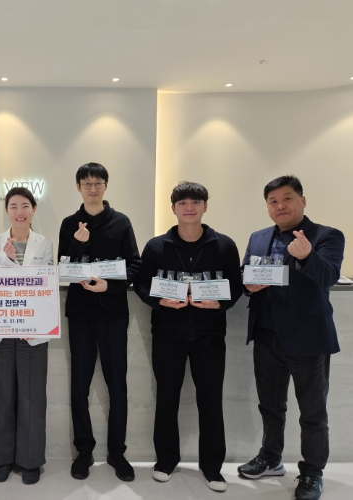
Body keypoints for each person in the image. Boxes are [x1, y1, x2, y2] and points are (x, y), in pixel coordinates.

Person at [237, 176, 345, 500]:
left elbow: (330, 276)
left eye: (287, 198)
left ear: (302, 201)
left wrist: (309, 255)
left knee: (312, 413)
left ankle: (312, 473)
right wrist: (247, 285)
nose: (280, 206)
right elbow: (246, 274)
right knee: (270, 406)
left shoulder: (327, 236)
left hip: (307, 339)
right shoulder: (258, 237)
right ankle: (271, 458)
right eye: (273, 201)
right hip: (266, 336)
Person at [134, 181, 242, 492]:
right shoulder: (157, 247)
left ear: (205, 206)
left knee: (211, 401)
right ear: (173, 208)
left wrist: (219, 303)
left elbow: (235, 286)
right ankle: (166, 460)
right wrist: (160, 301)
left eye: (196, 201)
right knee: (166, 399)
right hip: (168, 334)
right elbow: (141, 284)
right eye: (183, 203)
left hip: (210, 335)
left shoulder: (224, 245)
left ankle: (212, 468)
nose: (189, 207)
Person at [58, 162, 141, 482]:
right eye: (87, 183)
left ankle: (117, 451)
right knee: (79, 383)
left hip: (113, 313)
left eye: (98, 183)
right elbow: (63, 267)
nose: (92, 188)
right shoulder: (69, 223)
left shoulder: (121, 222)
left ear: (106, 186)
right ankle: (84, 450)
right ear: (78, 187)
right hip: (80, 314)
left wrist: (111, 285)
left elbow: (135, 265)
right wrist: (78, 243)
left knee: (116, 382)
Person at [0, 187, 54, 485]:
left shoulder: (45, 243)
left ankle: (30, 460)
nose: (19, 211)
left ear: (34, 209)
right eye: (13, 206)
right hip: (0, 331)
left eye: (25, 205)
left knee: (32, 398)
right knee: (0, 397)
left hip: (33, 333)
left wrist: (33, 323)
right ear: (6, 211)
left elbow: (43, 283)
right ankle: (1, 458)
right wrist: (8, 261)